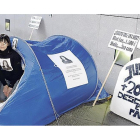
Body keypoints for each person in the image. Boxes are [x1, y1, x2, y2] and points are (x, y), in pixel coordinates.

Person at [0, 34, 23, 102]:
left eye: (4, 43)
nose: (2, 45)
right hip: (5, 78)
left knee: (10, 99)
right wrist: (4, 84)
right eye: (0, 43)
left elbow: (17, 72)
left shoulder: (14, 55)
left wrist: (10, 86)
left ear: (8, 44)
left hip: (15, 79)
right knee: (2, 97)